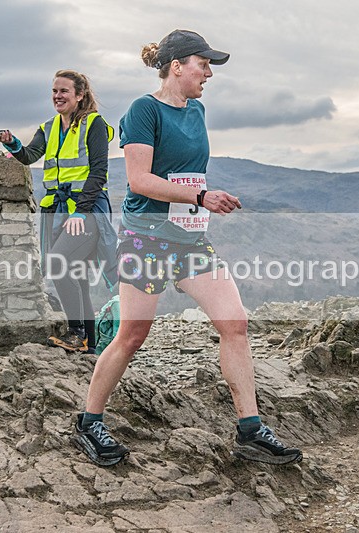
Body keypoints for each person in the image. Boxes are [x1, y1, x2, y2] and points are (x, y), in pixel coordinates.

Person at [73, 30, 303, 466]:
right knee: (132, 335)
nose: (209, 72)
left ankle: (250, 430)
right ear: (176, 66)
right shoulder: (143, 110)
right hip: (146, 237)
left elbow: (185, 173)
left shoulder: (196, 110)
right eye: (203, 63)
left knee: (234, 324)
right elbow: (139, 180)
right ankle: (89, 421)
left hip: (189, 238)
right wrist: (200, 198)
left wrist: (204, 199)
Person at [0, 70, 116, 354]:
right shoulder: (48, 128)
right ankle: (89, 344)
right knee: (77, 275)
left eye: (64, 91)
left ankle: (76, 332)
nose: (57, 96)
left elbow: (99, 172)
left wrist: (81, 212)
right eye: (54, 91)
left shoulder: (93, 124)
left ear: (80, 95)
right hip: (58, 210)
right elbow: (29, 156)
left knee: (60, 264)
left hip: (85, 209)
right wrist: (11, 142)